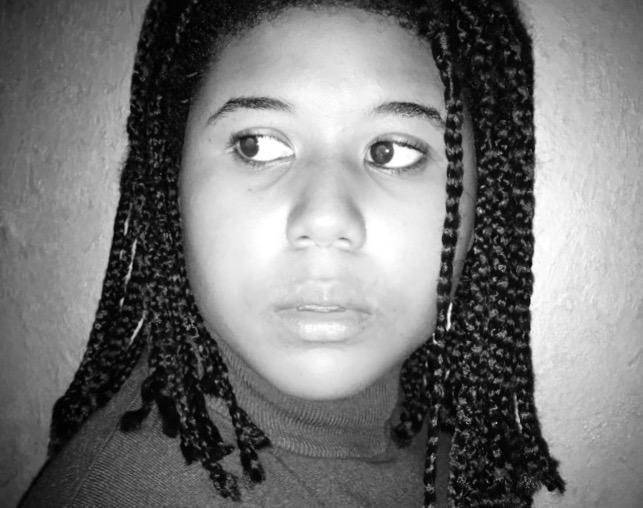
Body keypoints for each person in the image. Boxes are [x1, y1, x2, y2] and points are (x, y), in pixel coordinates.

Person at [19, 0, 565, 506]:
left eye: (391, 151)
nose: (325, 219)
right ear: (170, 182)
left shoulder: (448, 440)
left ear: (483, 193)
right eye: (256, 145)